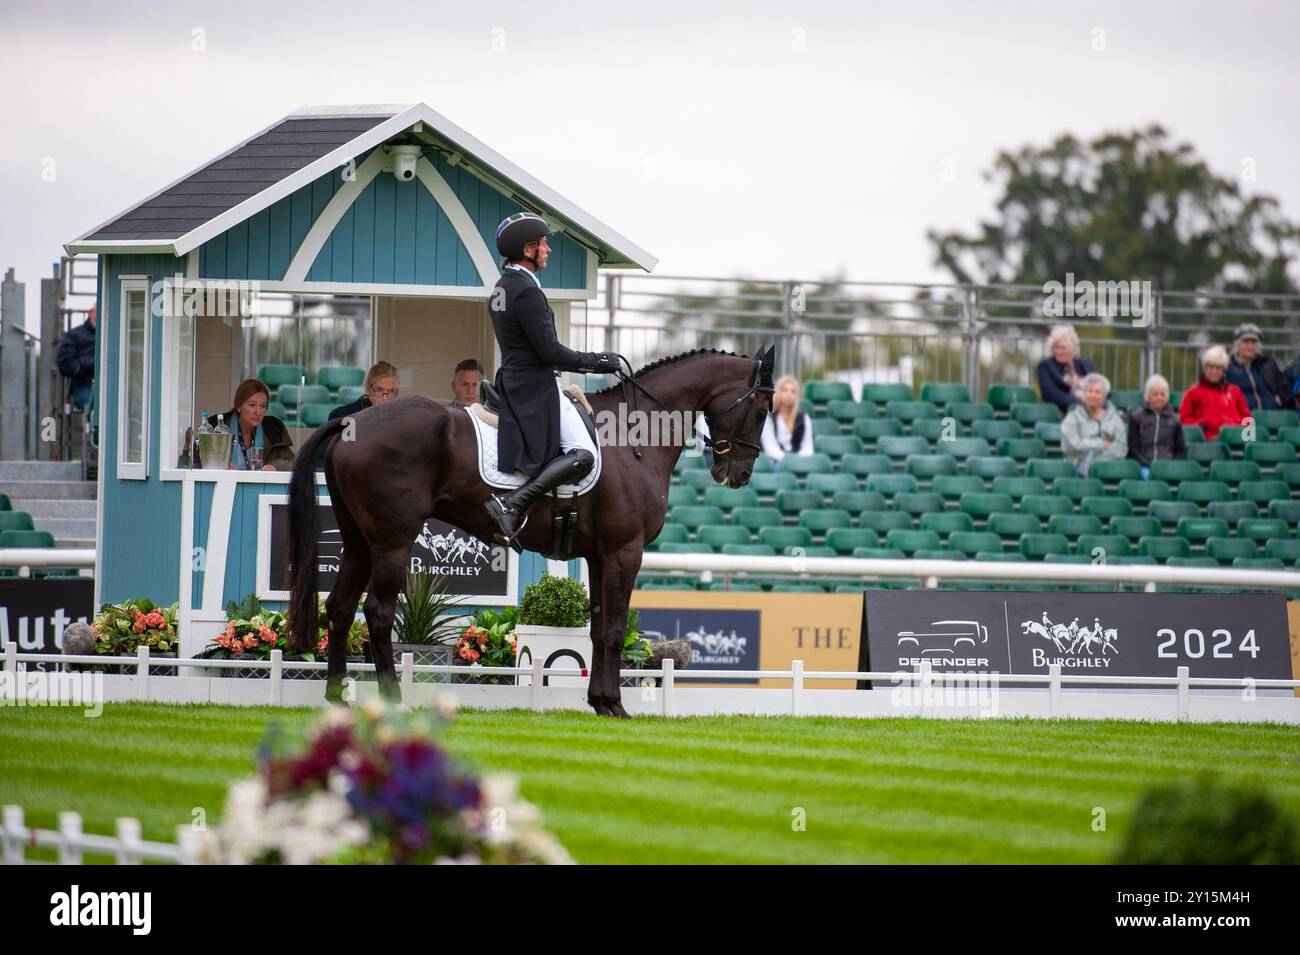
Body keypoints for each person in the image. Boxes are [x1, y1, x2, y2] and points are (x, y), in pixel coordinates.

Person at [481, 213, 620, 547]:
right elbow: (549, 351)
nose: (548, 251)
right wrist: (599, 361)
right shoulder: (525, 291)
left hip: (517, 381)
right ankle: (512, 504)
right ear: (528, 249)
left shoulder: (504, 286)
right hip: (534, 386)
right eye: (544, 244)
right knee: (584, 454)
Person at [315, 361, 401, 469]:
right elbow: (323, 459)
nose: (385, 398)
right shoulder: (343, 417)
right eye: (380, 391)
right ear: (368, 389)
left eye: (391, 392)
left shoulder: (401, 422)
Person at [197, 378, 294, 471]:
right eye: (252, 405)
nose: (258, 412)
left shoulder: (273, 429)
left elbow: (292, 463)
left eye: (263, 406)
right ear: (239, 405)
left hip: (261, 486)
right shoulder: (217, 426)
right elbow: (198, 461)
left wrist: (275, 467)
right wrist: (220, 467)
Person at [1060, 372, 1127, 476]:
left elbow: (1121, 447)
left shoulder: (1114, 418)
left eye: (1097, 392)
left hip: (1110, 467)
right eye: (1090, 391)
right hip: (1078, 468)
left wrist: (1097, 461)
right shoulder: (1073, 417)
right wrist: (1102, 443)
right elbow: (1072, 446)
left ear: (1104, 396)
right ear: (1084, 394)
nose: (1093, 395)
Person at [1180, 345, 1249, 440]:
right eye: (1210, 367)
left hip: (1235, 438)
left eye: (1218, 368)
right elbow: (1184, 418)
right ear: (1205, 368)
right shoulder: (1193, 392)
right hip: (1208, 440)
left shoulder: (1235, 391)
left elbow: (1247, 418)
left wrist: (1236, 426)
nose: (1214, 371)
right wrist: (1201, 423)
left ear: (1223, 371)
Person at [1127, 373, 1186, 478]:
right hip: (1143, 466)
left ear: (1167, 397)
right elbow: (1133, 449)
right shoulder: (1135, 416)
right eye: (1155, 394)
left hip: (1168, 466)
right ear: (1148, 396)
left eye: (1162, 394)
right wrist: (1147, 464)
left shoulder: (1175, 420)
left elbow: (1180, 450)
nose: (1159, 398)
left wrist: (1170, 465)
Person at [1225, 322, 1293, 412]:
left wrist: (1277, 401)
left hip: (1270, 417)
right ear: (1237, 344)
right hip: (1243, 420)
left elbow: (1285, 388)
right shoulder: (1227, 368)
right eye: (1246, 342)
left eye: (1253, 342)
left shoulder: (1268, 365)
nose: (1250, 346)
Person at [1036, 324, 1095, 413]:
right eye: (1056, 347)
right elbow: (1051, 394)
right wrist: (1081, 404)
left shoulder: (1086, 365)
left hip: (1090, 410)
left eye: (1063, 348)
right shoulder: (1046, 367)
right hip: (1062, 412)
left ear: (1072, 348)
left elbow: (1098, 386)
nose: (1059, 351)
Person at [761, 375, 815, 467]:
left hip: (800, 462)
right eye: (785, 390)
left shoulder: (804, 418)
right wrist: (790, 461)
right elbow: (771, 449)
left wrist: (797, 460)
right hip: (778, 463)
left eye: (793, 391)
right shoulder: (769, 419)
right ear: (778, 392)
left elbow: (808, 447)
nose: (789, 394)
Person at [56, 305, 96, 409]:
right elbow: (66, 365)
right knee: (96, 407)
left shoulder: (115, 335)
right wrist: (93, 363)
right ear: (91, 312)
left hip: (113, 386)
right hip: (85, 385)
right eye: (98, 312)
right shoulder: (74, 335)